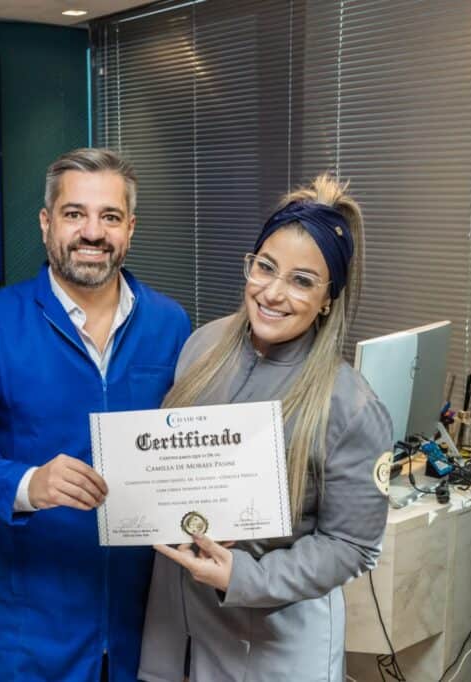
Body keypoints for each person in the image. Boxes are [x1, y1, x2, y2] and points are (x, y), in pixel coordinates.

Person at [0, 148, 191, 681]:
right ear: (46, 224)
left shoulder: (170, 325)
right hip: (30, 634)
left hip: (145, 628)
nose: (93, 232)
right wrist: (28, 483)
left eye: (109, 217)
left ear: (130, 229)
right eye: (74, 214)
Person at [137, 174, 393, 681]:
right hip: (179, 623)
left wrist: (245, 575)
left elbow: (351, 545)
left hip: (275, 642)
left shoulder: (351, 405)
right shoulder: (202, 347)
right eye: (266, 268)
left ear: (327, 298)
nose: (273, 293)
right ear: (249, 266)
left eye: (301, 280)